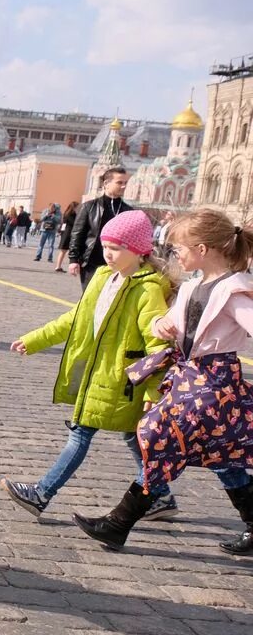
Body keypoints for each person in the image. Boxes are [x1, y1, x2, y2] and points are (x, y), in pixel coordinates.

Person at [76, 210, 253, 554]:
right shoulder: (191, 287)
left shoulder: (233, 289)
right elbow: (166, 324)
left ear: (202, 249)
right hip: (189, 378)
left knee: (162, 439)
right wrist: (162, 327)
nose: (175, 255)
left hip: (214, 384)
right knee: (222, 456)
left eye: (179, 249)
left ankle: (118, 523)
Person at [0, 211, 177, 522]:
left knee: (81, 433)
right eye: (106, 246)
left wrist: (153, 390)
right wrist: (36, 339)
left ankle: (42, 494)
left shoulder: (147, 288)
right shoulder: (101, 278)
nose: (108, 253)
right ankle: (160, 494)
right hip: (98, 375)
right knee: (130, 436)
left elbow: (157, 345)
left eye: (117, 248)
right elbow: (75, 319)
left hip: (123, 380)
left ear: (139, 250)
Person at [69, 167, 132, 290]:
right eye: (119, 182)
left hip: (118, 264)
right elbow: (77, 234)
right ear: (106, 184)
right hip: (92, 262)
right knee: (90, 298)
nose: (123, 186)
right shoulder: (89, 207)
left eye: (125, 183)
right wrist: (73, 259)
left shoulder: (128, 211)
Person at [54, 201, 79, 273]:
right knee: (65, 251)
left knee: (63, 251)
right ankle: (58, 266)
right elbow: (75, 224)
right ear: (73, 207)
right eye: (77, 207)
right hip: (68, 234)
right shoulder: (71, 215)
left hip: (65, 234)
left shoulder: (66, 214)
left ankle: (58, 266)